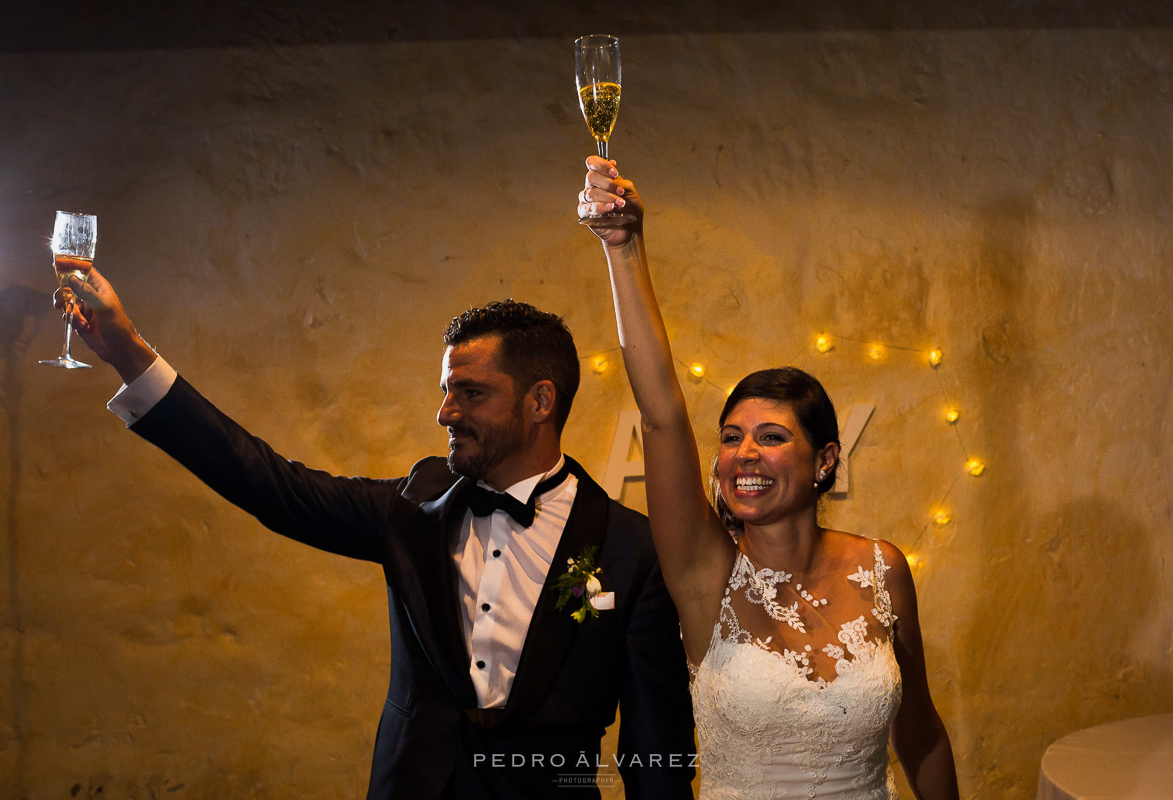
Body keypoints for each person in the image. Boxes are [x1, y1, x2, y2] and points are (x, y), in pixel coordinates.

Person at [57, 268, 696, 799]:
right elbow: (269, 485)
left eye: (471, 393)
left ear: (540, 403)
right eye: (447, 390)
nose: (445, 412)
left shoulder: (631, 548)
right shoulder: (414, 504)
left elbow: (656, 746)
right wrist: (129, 353)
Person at [577, 156, 960, 799]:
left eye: (772, 437)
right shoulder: (705, 573)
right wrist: (625, 247)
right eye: (731, 438)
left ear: (826, 460)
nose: (744, 454)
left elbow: (919, 732)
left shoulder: (883, 568)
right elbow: (663, 413)